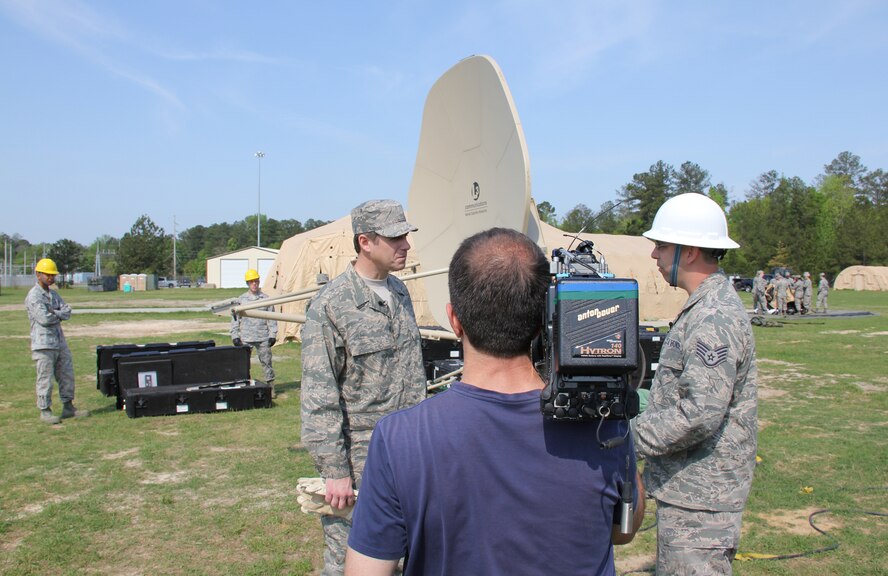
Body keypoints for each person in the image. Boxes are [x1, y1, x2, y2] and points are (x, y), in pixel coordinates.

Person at [345, 228, 645, 575]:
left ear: (454, 320)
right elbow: (623, 531)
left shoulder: (399, 437)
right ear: (542, 324)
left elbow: (366, 569)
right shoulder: (603, 426)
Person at [631, 193, 757, 575]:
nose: (654, 254)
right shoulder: (703, 308)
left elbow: (700, 413)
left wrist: (626, 436)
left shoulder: (712, 318)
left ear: (689, 253)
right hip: (692, 492)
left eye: (662, 245)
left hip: (701, 498)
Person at [301, 199, 427, 576]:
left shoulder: (400, 293)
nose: (405, 245)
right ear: (365, 242)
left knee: (409, 556)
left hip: (410, 455)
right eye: (395, 238)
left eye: (405, 236)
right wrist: (335, 471)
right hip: (361, 466)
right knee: (350, 561)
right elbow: (318, 398)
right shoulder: (331, 305)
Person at [25, 258, 90, 424]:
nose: (51, 278)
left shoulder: (53, 294)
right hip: (43, 344)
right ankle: (45, 410)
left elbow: (67, 311)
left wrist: (55, 312)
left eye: (53, 275)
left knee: (66, 374)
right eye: (47, 274)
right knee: (45, 377)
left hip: (59, 341)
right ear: (38, 274)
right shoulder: (34, 296)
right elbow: (44, 319)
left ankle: (68, 406)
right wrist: (57, 313)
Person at [230, 269, 278, 395]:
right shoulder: (241, 300)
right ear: (248, 283)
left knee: (267, 363)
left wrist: (273, 335)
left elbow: (272, 318)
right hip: (246, 337)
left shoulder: (266, 299)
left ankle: (270, 387)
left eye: (256, 281)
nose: (254, 284)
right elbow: (235, 320)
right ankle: (245, 387)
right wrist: (235, 336)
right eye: (251, 282)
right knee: (244, 364)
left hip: (263, 337)